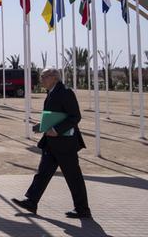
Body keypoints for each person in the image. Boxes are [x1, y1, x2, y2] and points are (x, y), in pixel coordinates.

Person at [12, 68, 91, 219]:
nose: (41, 79)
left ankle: (83, 209)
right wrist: (41, 126)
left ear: (54, 77)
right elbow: (54, 116)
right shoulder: (52, 92)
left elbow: (75, 116)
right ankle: (31, 201)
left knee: (73, 177)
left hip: (65, 144)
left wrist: (56, 130)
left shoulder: (65, 92)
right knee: (43, 173)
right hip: (51, 143)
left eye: (44, 76)